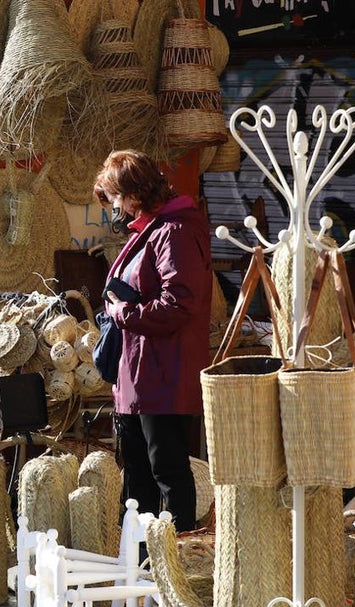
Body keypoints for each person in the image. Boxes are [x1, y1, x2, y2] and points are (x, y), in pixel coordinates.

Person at [93, 149, 212, 532]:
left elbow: (179, 304)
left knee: (168, 474)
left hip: (162, 376)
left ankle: (179, 566)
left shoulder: (173, 231)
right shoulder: (154, 229)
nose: (114, 205)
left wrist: (121, 313)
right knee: (138, 482)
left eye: (115, 196)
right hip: (141, 376)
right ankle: (140, 566)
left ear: (134, 194)